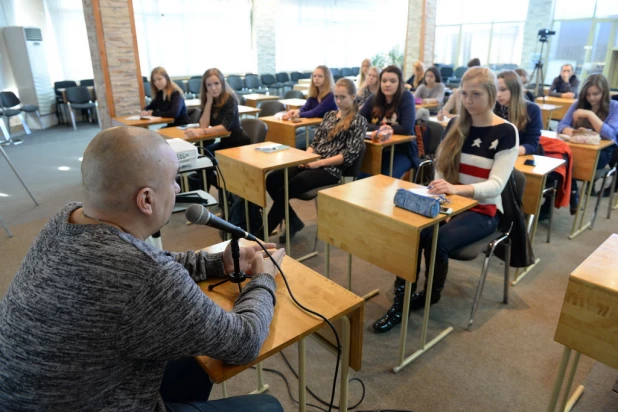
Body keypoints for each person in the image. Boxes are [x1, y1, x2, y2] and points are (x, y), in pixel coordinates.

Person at [0, 126, 286, 411]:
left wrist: (216, 263)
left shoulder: (65, 219)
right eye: (174, 180)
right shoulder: (147, 275)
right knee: (268, 406)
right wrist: (263, 279)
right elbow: (245, 340)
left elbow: (139, 264)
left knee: (195, 355)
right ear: (146, 200)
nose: (177, 188)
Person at [373, 67, 519, 333]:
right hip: (451, 201)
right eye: (464, 94)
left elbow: (496, 186)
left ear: (492, 94)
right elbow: (441, 165)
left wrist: (455, 192)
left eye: (476, 94)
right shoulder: (456, 124)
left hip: (483, 210)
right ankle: (400, 301)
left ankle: (431, 294)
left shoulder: (506, 131)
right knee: (411, 232)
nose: (468, 101)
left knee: (436, 240)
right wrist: (445, 196)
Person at [266, 78, 367, 242]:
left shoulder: (359, 121)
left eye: (343, 97)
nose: (339, 101)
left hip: (330, 170)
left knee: (289, 187)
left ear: (353, 97)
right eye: (336, 97)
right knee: (272, 179)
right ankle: (293, 221)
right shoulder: (329, 115)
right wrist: (306, 158)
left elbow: (347, 156)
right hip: (312, 162)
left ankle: (261, 234)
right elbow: (315, 142)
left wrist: (316, 163)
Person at [558, 73, 618, 198]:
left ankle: (572, 194)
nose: (591, 98)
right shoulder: (578, 104)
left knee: (568, 163)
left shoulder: (614, 106)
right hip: (576, 148)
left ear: (604, 92)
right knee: (559, 161)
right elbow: (562, 125)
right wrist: (577, 133)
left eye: (596, 94)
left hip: (603, 152)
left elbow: (610, 134)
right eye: (588, 94)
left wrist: (590, 115)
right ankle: (573, 192)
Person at [359, 65, 417, 178]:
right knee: (362, 177)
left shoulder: (406, 97)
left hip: (401, 151)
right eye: (384, 81)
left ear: (399, 83)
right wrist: (380, 129)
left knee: (385, 179)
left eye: (393, 81)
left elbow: (406, 128)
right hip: (377, 150)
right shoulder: (374, 99)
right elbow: (359, 121)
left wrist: (385, 129)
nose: (387, 84)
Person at [185, 68, 250, 152]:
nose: (213, 88)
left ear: (222, 83)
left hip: (238, 144)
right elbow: (203, 125)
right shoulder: (210, 100)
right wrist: (209, 102)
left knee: (207, 155)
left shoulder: (230, 99)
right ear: (205, 87)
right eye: (209, 85)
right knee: (202, 153)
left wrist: (202, 132)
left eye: (216, 83)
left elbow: (224, 127)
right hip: (225, 143)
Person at [494, 70, 542, 156]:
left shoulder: (532, 109)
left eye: (503, 90)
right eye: (496, 90)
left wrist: (508, 152)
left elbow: (532, 144)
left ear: (514, 89)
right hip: (496, 155)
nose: (498, 95)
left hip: (518, 156)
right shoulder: (493, 107)